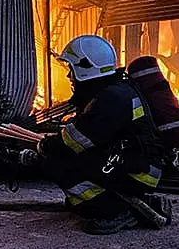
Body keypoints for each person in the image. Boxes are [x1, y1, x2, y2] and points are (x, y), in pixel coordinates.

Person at [36, 35, 171, 235]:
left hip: (138, 171)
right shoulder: (114, 91)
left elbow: (74, 141)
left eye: (71, 70)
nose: (69, 76)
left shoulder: (112, 99)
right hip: (135, 163)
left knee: (57, 162)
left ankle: (113, 211)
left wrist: (45, 146)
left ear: (84, 68)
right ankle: (133, 202)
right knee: (76, 167)